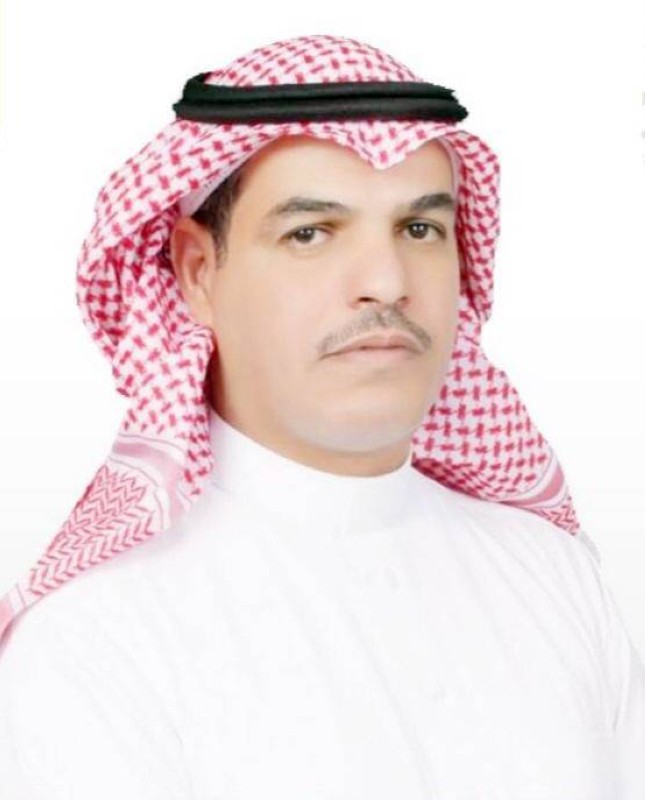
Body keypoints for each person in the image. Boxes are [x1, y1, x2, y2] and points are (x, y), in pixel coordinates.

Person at [0, 33, 643, 799]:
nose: (387, 281)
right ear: (198, 273)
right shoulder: (98, 639)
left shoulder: (553, 576)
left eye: (419, 229)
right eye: (309, 233)